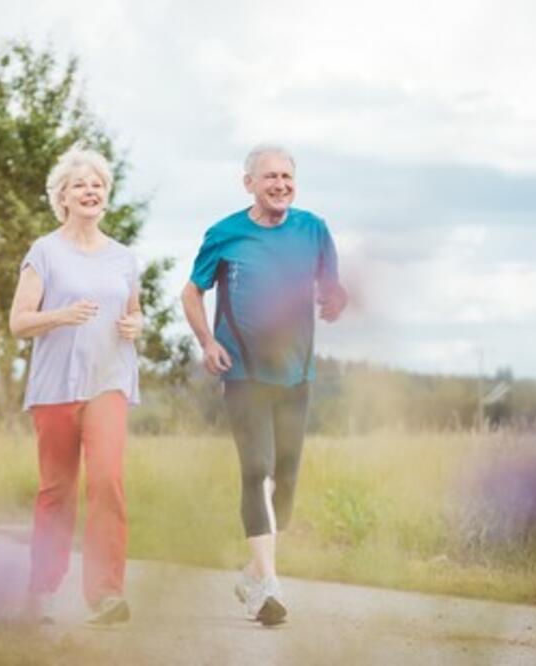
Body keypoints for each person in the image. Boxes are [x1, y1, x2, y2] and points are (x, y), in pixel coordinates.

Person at [181, 144, 347, 625]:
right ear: (248, 182)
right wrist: (206, 341)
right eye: (269, 176)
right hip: (243, 372)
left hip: (297, 374)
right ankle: (268, 586)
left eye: (286, 177)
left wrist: (336, 301)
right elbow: (192, 291)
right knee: (257, 469)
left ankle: (253, 570)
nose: (279, 185)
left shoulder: (314, 229)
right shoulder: (225, 234)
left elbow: (330, 287)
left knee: (287, 480)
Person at [9, 147, 142, 626]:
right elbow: (19, 322)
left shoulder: (123, 257)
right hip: (55, 387)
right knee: (57, 490)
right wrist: (60, 316)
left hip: (109, 381)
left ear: (106, 196)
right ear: (62, 196)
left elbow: (133, 312)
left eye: (98, 185)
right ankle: (41, 591)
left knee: (107, 481)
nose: (90, 191)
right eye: (80, 184)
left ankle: (106, 594)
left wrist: (135, 326)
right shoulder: (45, 252)